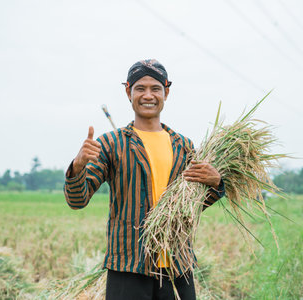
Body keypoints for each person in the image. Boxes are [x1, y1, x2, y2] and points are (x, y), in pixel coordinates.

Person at [64, 59, 225, 300]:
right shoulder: (112, 143)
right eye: (140, 88)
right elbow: (77, 200)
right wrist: (78, 167)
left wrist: (216, 183)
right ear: (128, 92)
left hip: (176, 266)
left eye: (155, 88)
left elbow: (193, 205)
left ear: (166, 93)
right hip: (128, 266)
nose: (148, 95)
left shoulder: (184, 146)